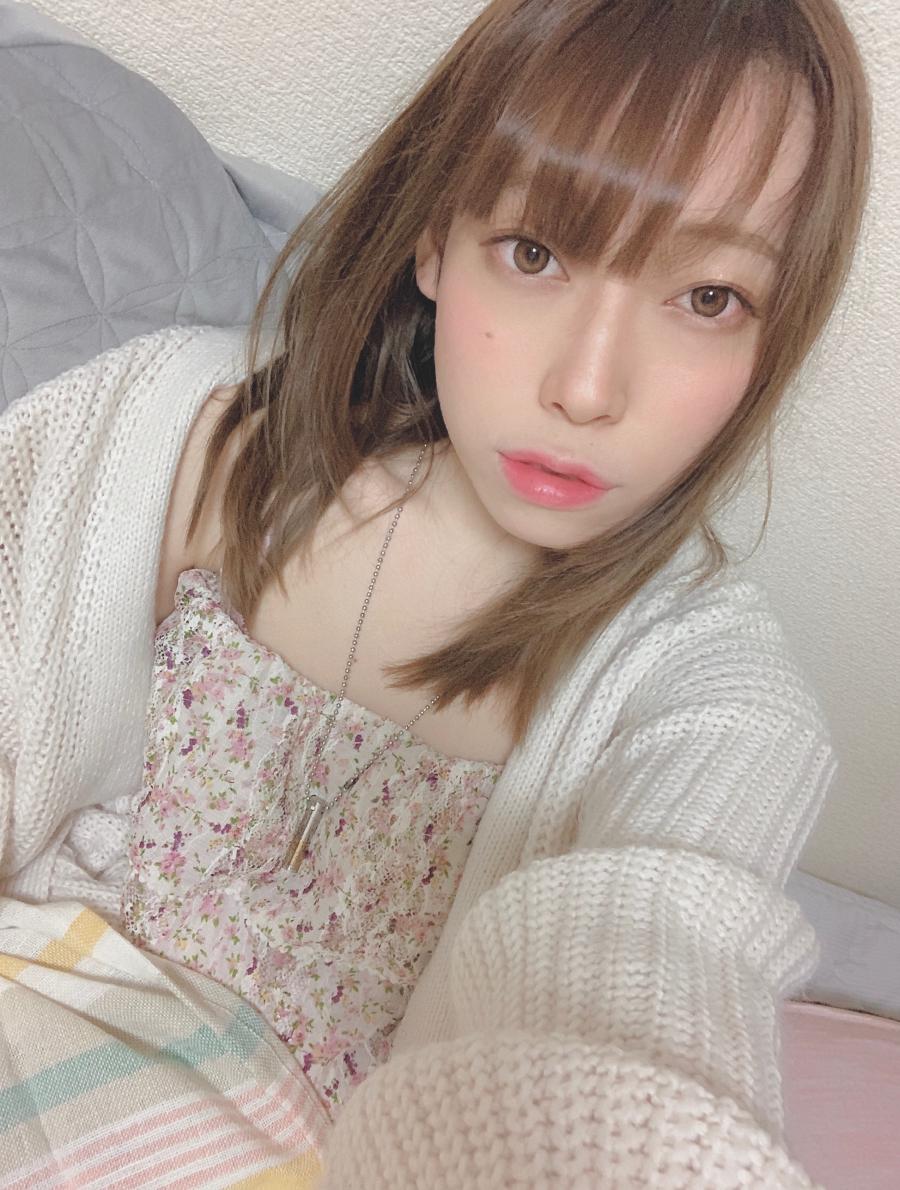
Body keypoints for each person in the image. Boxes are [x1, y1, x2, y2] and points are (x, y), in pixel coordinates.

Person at [0, 0, 872, 1185]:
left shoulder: (708, 699)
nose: (587, 387)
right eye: (535, 252)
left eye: (709, 296)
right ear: (435, 243)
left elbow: (656, 975)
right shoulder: (175, 428)